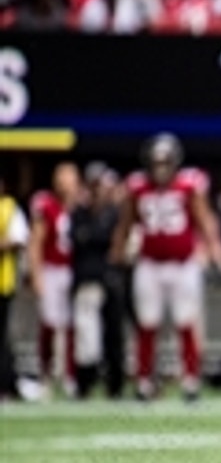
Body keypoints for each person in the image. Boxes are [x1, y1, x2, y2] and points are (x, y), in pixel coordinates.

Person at [111, 134, 221, 402]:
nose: (161, 168)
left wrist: (215, 248)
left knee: (186, 321)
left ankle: (190, 380)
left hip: (183, 263)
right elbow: (126, 223)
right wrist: (117, 252)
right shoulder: (137, 187)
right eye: (156, 162)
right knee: (147, 323)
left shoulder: (189, 186)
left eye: (166, 162)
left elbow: (204, 218)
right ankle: (143, 381)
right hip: (150, 263)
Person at [69, 163, 127, 399]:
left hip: (111, 279)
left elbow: (118, 244)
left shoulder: (115, 214)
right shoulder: (79, 214)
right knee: (86, 336)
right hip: (87, 279)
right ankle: (85, 383)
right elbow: (80, 240)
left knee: (114, 334)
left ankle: (115, 385)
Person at [28, 162, 80, 398]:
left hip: (74, 270)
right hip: (52, 269)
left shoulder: (81, 205)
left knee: (72, 326)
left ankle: (71, 376)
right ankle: (46, 375)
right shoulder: (46, 204)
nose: (65, 183)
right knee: (49, 324)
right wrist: (36, 274)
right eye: (62, 178)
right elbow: (36, 242)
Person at [0, 176, 29, 399]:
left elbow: (19, 238)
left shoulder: (9, 207)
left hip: (3, 282)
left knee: (3, 336)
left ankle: (8, 384)